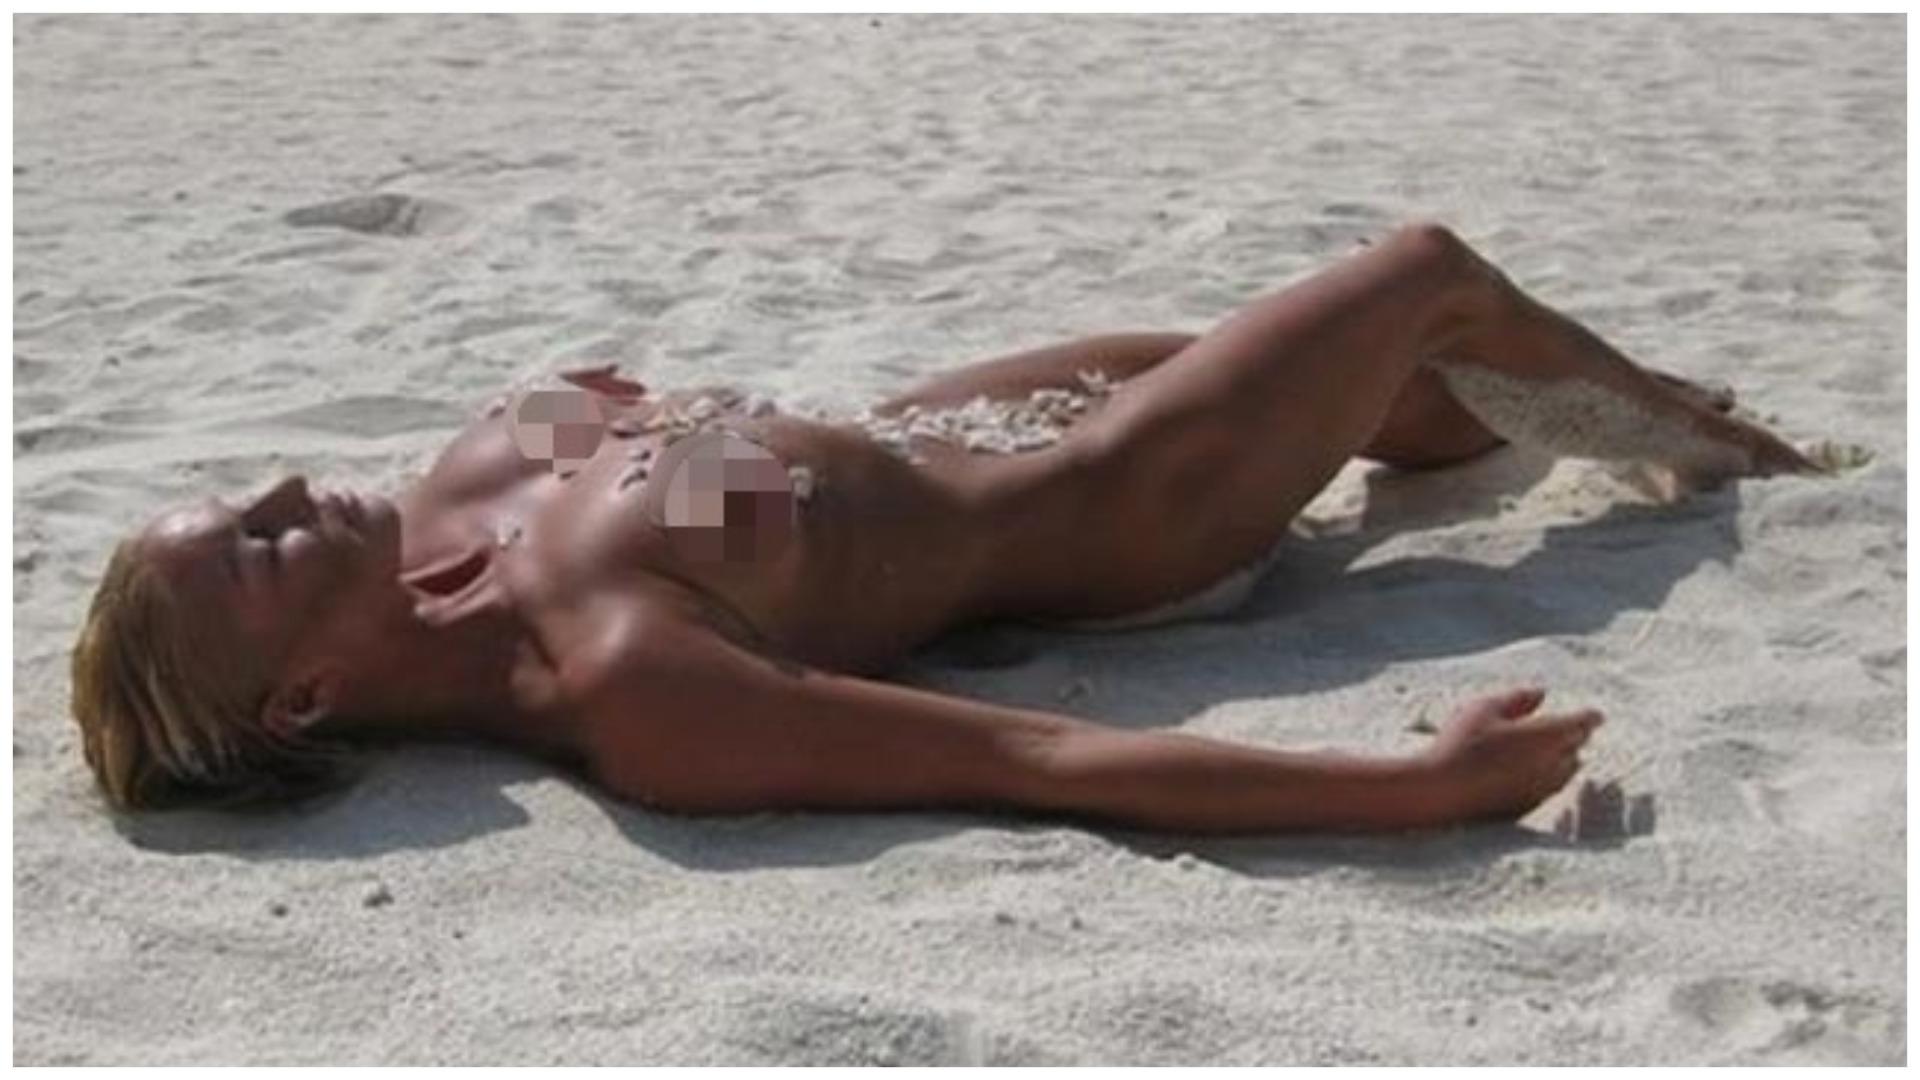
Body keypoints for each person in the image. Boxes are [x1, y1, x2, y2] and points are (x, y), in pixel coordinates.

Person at [69, 223, 1814, 833]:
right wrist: (1411, 789)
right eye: (263, 550)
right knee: (1423, 277)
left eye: (255, 497)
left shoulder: (453, 500)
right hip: (1117, 510)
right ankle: (1726, 449)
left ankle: (1573, 419)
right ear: (305, 697)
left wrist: (625, 431)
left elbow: (604, 410)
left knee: (1428, 407)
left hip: (976, 417)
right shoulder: (622, 681)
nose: (293, 494)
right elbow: (1036, 759)